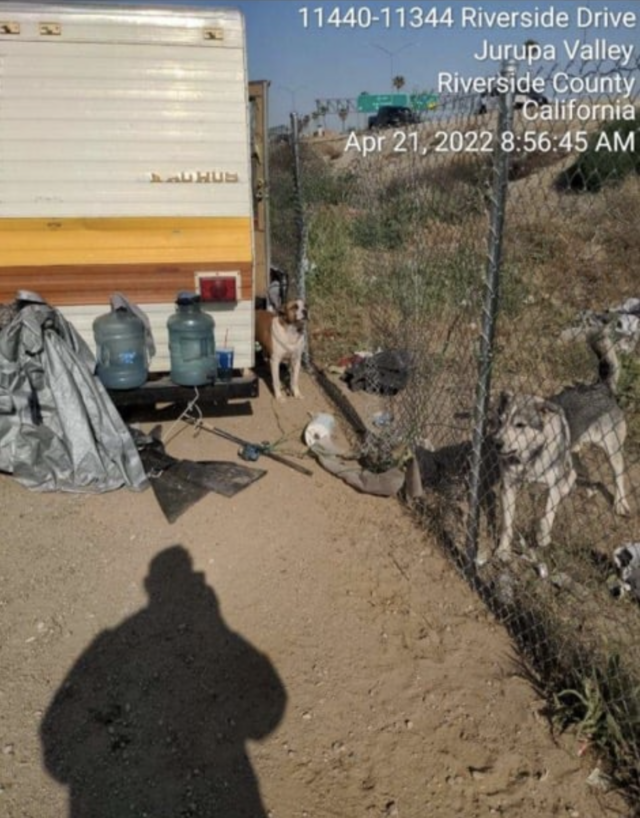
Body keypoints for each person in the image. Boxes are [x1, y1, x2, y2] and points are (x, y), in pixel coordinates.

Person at [40, 546, 286, 817]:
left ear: (149, 586)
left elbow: (57, 742)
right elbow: (270, 707)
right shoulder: (216, 636)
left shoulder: (112, 643)